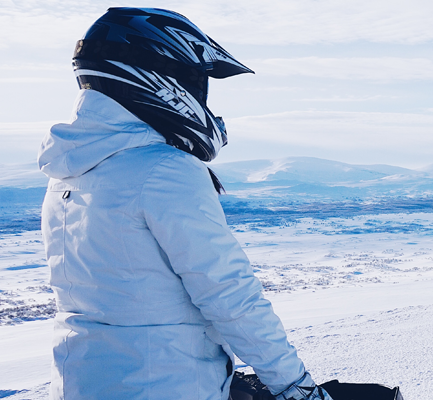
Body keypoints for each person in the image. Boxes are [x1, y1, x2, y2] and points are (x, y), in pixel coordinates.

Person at [38, 8, 332, 400]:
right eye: (195, 81)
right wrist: (297, 388)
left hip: (81, 383)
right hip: (167, 385)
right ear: (162, 78)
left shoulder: (68, 171)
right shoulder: (164, 171)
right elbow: (230, 295)